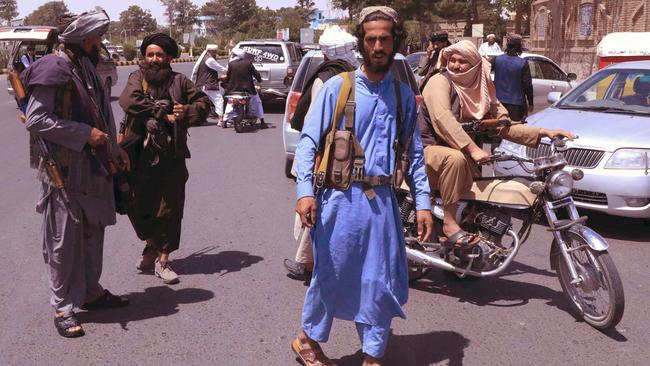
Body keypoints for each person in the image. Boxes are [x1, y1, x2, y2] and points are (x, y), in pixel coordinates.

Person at [292, 6, 433, 366]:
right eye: (371, 39)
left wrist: (423, 204)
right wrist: (305, 191)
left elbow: (415, 154)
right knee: (331, 273)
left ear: (395, 42)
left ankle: (372, 355)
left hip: (383, 203)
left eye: (385, 38)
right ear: (362, 44)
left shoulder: (403, 97)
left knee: (380, 278)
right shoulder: (338, 89)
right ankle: (307, 340)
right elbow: (309, 142)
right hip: (339, 202)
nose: (378, 45)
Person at [22, 9, 131, 338]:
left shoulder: (84, 65)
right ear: (85, 38)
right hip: (65, 170)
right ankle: (63, 306)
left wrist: (114, 148)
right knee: (63, 240)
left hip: (94, 167)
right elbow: (37, 120)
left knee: (92, 232)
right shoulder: (54, 67)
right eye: (98, 37)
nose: (100, 43)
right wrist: (86, 134)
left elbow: (99, 111)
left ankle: (90, 292)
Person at [419, 40, 575, 247]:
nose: (455, 65)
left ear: (475, 65)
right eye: (452, 60)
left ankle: (478, 236)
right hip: (425, 149)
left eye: (462, 62)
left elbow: (504, 125)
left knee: (486, 191)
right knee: (455, 159)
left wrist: (544, 132)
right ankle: (448, 222)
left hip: (461, 153)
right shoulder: (439, 81)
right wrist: (473, 149)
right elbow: (443, 119)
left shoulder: (481, 89)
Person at [118, 33, 210, 285]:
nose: (154, 59)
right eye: (150, 55)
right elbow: (129, 100)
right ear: (144, 57)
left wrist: (186, 110)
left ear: (169, 57)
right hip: (138, 157)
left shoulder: (180, 81)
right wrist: (162, 112)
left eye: (159, 54)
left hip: (171, 157)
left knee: (169, 209)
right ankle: (150, 245)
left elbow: (205, 104)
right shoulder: (137, 77)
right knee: (137, 206)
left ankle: (163, 260)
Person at [282, 25, 359, 281]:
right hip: (326, 154)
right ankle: (310, 262)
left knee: (319, 209)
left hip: (336, 156)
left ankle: (308, 263)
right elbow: (316, 126)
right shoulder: (328, 80)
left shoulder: (340, 76)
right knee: (316, 204)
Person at [222, 48, 268, 129]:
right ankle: (262, 122)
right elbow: (255, 73)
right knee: (257, 102)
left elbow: (228, 77)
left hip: (234, 90)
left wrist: (227, 85)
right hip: (248, 90)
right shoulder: (248, 63)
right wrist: (260, 80)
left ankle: (224, 122)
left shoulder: (231, 64)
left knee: (230, 103)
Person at [492, 34, 534, 121]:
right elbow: (528, 85)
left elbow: (484, 73)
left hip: (498, 103)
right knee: (515, 130)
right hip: (516, 105)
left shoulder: (497, 60)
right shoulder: (523, 63)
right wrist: (530, 103)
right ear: (519, 46)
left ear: (508, 44)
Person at [191, 44, 227, 124]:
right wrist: (231, 71)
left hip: (202, 85)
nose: (216, 53)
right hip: (208, 85)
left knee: (205, 103)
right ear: (211, 51)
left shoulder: (205, 58)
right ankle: (221, 119)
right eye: (215, 51)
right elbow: (221, 69)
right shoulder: (209, 60)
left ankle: (202, 119)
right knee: (219, 100)